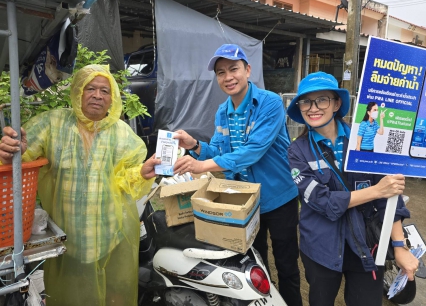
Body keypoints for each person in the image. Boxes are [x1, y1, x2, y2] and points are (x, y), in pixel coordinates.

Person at [0, 64, 160, 306]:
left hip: (109, 238)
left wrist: (143, 173)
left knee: (111, 295)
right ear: (77, 92)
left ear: (112, 98)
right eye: (90, 88)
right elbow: (22, 158)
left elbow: (128, 179)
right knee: (68, 296)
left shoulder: (124, 135)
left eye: (105, 91)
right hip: (67, 243)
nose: (97, 95)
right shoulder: (52, 124)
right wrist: (12, 151)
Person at [173, 44, 302, 306]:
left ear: (248, 70)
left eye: (233, 69)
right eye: (221, 72)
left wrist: (200, 166)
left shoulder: (270, 103)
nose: (228, 77)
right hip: (245, 203)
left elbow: (252, 151)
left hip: (278, 199)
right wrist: (195, 146)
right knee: (256, 262)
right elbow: (220, 152)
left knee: (286, 262)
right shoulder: (223, 111)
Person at [286, 71, 418, 306]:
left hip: (367, 245)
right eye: (305, 101)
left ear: (337, 104)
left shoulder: (363, 140)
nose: (313, 107)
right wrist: (376, 191)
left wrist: (399, 246)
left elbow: (390, 196)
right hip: (320, 248)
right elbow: (320, 200)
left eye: (322, 99)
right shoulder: (297, 150)